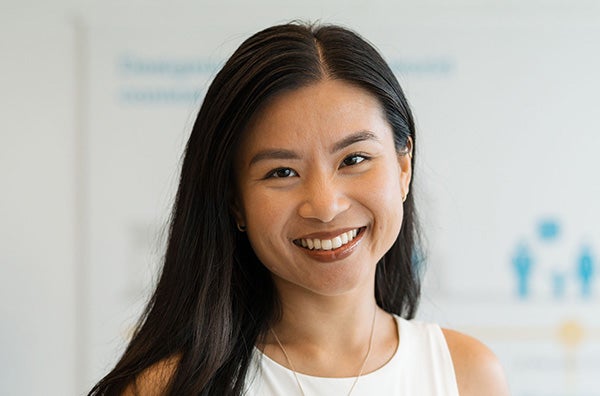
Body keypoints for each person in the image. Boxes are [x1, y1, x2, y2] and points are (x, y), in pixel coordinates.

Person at [89, 22, 510, 396]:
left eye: (354, 160)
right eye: (282, 172)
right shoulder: (165, 389)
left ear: (403, 167)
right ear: (235, 202)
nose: (325, 206)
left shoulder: (467, 376)